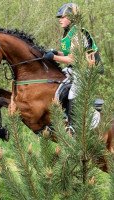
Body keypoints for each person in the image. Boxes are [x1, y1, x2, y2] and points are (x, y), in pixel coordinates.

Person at [43, 3, 101, 132]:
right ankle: (59, 120)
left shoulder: (79, 34)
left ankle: (74, 127)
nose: (60, 19)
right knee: (55, 84)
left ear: (71, 18)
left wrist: (53, 58)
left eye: (62, 17)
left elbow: (74, 59)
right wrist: (56, 52)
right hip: (75, 69)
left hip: (87, 70)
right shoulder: (69, 33)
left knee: (72, 94)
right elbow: (70, 54)